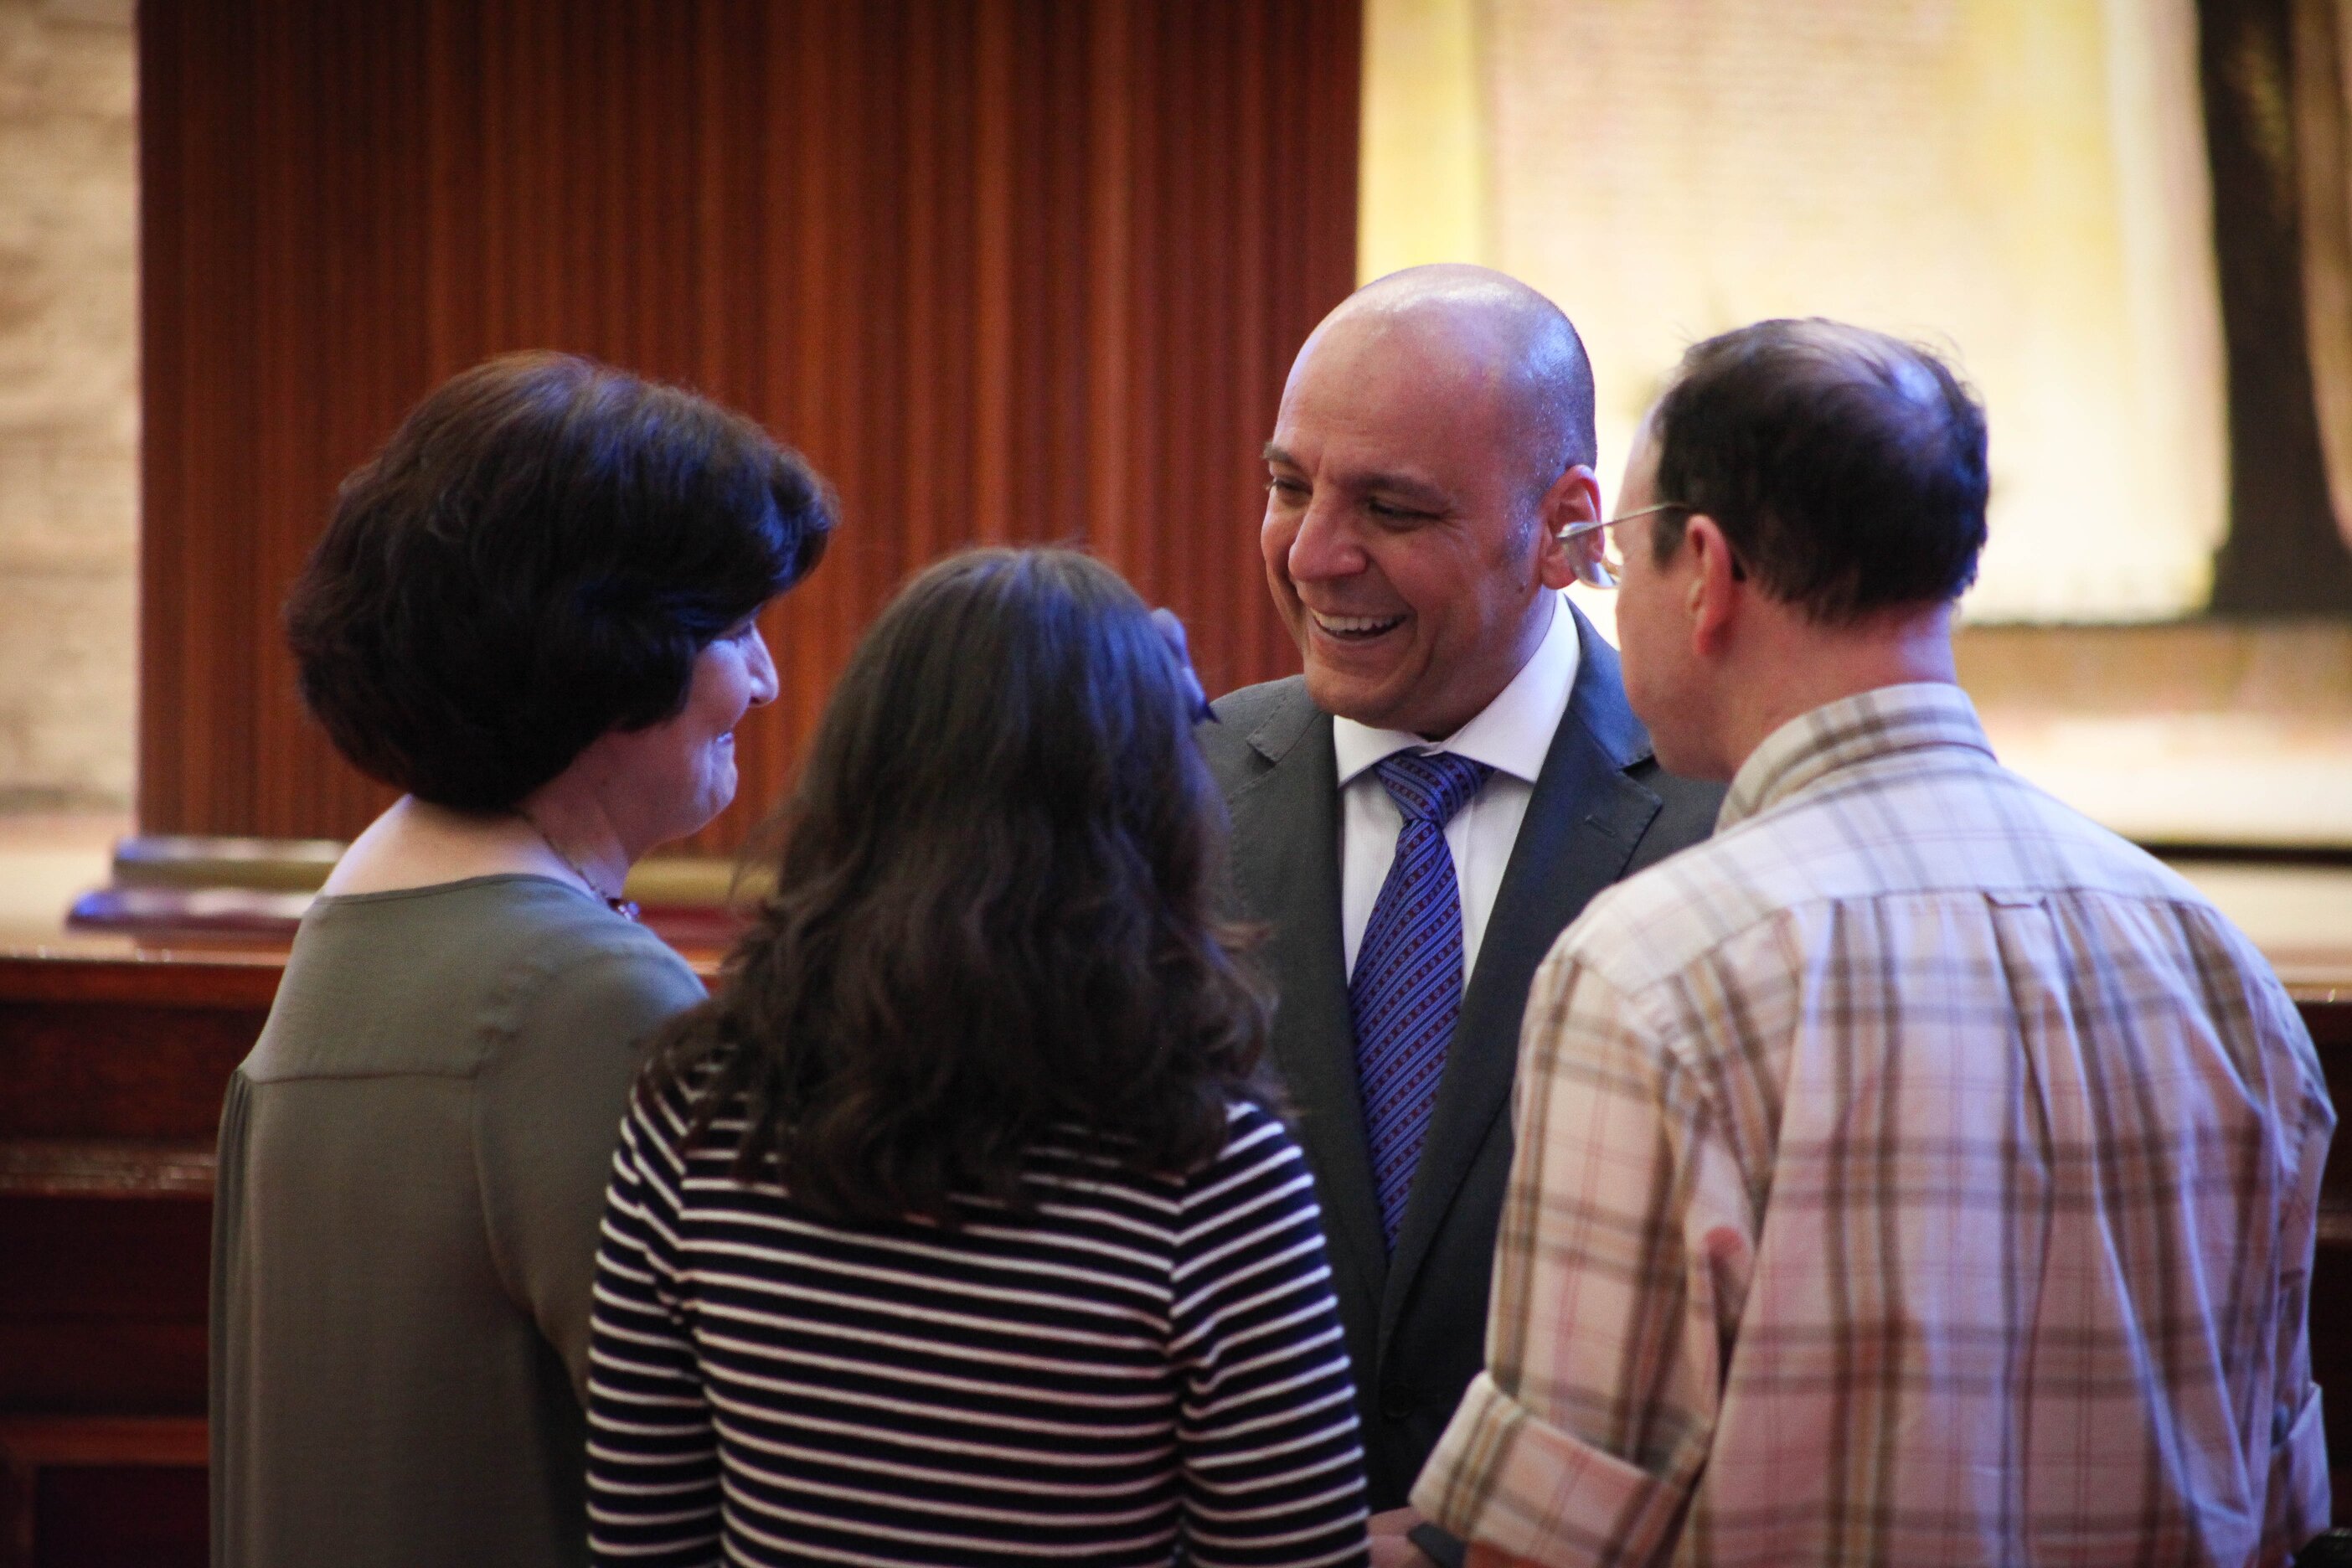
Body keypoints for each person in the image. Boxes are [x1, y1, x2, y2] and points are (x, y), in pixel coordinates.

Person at [1411, 319, 2335, 1565]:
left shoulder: (1652, 975)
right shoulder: (2215, 965)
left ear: (1709, 569)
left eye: (1621, 561)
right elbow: (2283, 1509)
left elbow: (1553, 1548)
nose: (1612, 609)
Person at [585, 548, 1371, 1567]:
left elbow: (645, 1538)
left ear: (858, 779)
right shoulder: (1210, 1171)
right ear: (1148, 814)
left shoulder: (693, 1111)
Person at [210, 352, 834, 1568]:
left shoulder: (362, 917)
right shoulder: (577, 995)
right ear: (608, 651)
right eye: (738, 627)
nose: (763, 681)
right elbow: (759, 1472)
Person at [1195, 265, 1723, 1556]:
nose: (1313, 552)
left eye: (1392, 506)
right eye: (1287, 486)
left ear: (1567, 529)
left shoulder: (1726, 831)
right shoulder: (1168, 788)